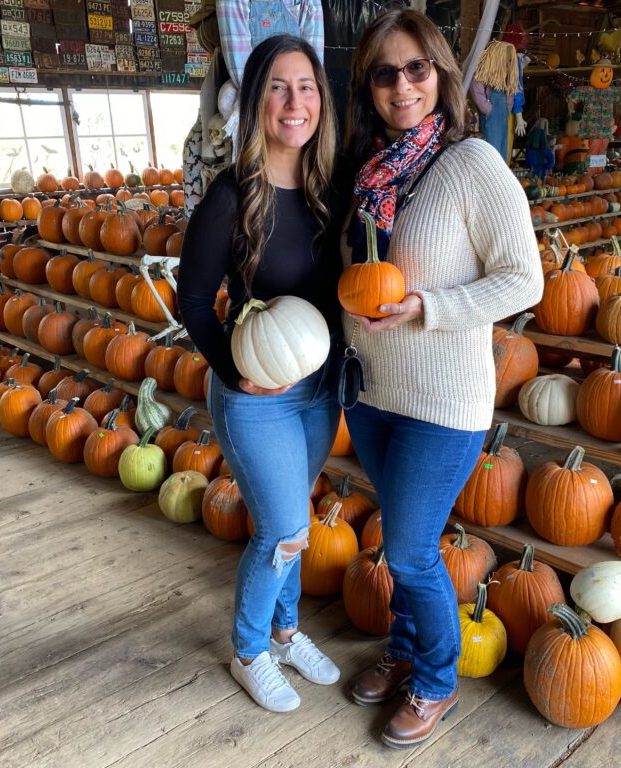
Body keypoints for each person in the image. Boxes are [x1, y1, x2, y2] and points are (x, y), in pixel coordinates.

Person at [340, 8, 543, 749]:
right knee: (399, 539)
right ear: (369, 86)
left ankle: (435, 678)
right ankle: (402, 651)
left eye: (416, 69)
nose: (402, 85)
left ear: (442, 77)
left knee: (412, 550)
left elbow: (525, 280)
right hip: (371, 395)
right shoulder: (369, 171)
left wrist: (431, 307)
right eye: (385, 73)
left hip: (441, 401)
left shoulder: (472, 164)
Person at [177, 34, 342, 714]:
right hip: (256, 394)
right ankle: (249, 651)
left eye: (306, 87)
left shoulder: (333, 188)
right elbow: (191, 299)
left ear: (321, 102)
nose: (294, 101)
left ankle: (285, 631)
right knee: (280, 529)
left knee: (294, 519)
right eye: (278, 86)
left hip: (317, 389)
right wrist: (232, 371)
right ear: (255, 101)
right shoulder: (229, 195)